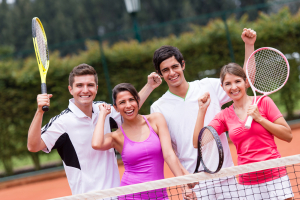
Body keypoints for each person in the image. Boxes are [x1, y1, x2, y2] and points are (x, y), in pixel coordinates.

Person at [150, 28, 256, 199]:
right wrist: (184, 182)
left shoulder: (209, 86)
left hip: (225, 175)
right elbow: (169, 150)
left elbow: (246, 82)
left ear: (183, 65)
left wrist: (249, 45)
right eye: (165, 70)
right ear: (160, 74)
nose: (172, 73)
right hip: (196, 182)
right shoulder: (158, 107)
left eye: (175, 66)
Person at [27, 64, 162, 195]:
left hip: (116, 195)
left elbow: (129, 108)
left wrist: (149, 86)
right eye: (79, 85)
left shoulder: (103, 109)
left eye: (90, 85)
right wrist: (40, 111)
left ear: (96, 88)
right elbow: (33, 146)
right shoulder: (62, 122)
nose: (85, 90)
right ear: (70, 89)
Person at [193, 63, 293, 200]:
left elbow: (288, 135)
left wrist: (260, 119)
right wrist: (202, 110)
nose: (233, 87)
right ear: (222, 87)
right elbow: (198, 142)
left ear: (246, 82)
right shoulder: (224, 115)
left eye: (237, 81)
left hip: (275, 175)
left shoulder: (264, 102)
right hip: (248, 182)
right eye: (228, 84)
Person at [92, 83, 194, 199]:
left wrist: (184, 186)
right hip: (131, 195)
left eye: (131, 100)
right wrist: (102, 114)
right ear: (116, 108)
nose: (128, 105)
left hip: (160, 195)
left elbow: (169, 154)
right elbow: (96, 144)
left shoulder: (156, 119)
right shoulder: (116, 136)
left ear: (138, 101)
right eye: (122, 102)